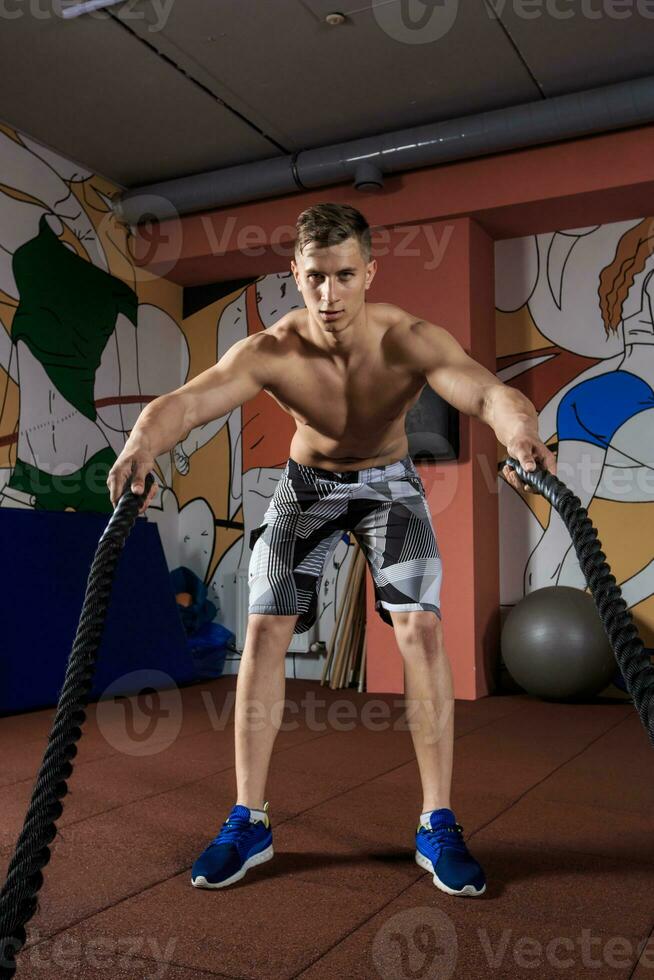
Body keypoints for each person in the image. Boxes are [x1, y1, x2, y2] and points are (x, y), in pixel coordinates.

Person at [107, 203, 556, 898]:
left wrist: (519, 435)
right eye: (315, 277)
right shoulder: (273, 350)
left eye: (344, 275)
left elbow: (487, 393)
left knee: (423, 628)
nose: (329, 294)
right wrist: (141, 443)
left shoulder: (407, 338)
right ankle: (248, 819)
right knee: (264, 627)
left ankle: (437, 821)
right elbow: (188, 402)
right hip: (307, 484)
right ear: (295, 273)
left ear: (368, 272)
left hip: (388, 487)